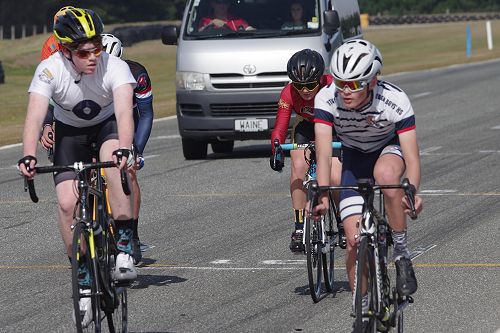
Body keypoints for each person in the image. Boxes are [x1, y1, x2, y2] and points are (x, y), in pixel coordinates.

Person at [17, 8, 137, 326]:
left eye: (96, 47)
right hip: (69, 134)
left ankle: (124, 247)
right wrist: (28, 154)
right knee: (68, 203)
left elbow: (125, 113)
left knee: (114, 165)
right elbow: (34, 116)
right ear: (66, 52)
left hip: (107, 126)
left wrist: (126, 148)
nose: (93, 56)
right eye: (84, 51)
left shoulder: (116, 67)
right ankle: (84, 280)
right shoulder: (49, 70)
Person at [313, 39, 423, 307]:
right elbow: (325, 154)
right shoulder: (327, 98)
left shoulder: (394, 100)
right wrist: (323, 194)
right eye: (340, 83)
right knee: (353, 241)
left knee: (386, 176)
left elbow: (411, 155)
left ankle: (400, 251)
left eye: (353, 84)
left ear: (372, 81)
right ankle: (362, 307)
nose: (345, 91)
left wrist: (412, 190)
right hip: (353, 157)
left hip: (388, 149)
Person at [270, 49, 342, 253]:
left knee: (335, 174)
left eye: (310, 85)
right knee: (298, 166)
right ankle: (299, 227)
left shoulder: (333, 86)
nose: (305, 91)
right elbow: (280, 127)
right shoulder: (288, 92)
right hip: (307, 125)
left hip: (334, 125)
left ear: (320, 79)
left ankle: (342, 222)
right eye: (299, 85)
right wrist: (275, 148)